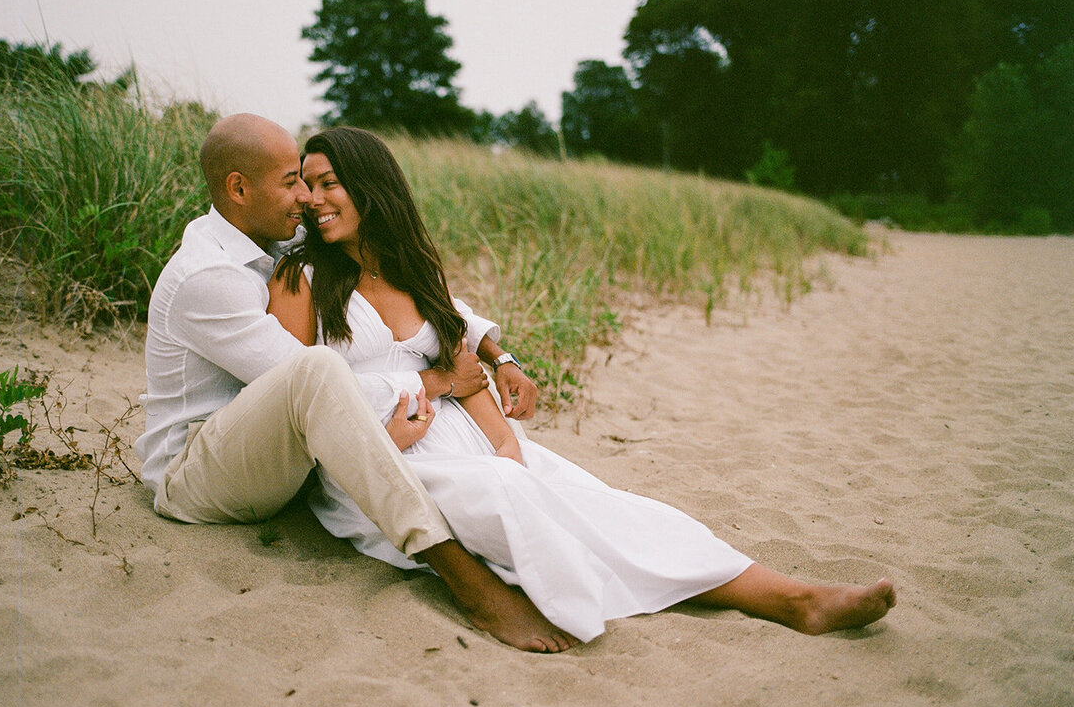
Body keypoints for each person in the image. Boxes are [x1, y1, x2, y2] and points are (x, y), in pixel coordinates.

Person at [268, 126, 897, 642]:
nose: (313, 199)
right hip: (383, 464)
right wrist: (403, 421)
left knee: (606, 505)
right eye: (307, 184)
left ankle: (793, 598)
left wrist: (506, 442)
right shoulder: (301, 280)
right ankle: (556, 600)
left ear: (372, 188)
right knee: (515, 505)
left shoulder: (412, 268)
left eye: (329, 183)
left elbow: (464, 365)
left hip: (468, 443)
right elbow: (301, 399)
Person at [135, 113, 579, 652]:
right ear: (238, 188)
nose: (304, 197)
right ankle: (469, 584)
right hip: (196, 473)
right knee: (316, 368)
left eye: (310, 180)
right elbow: (313, 385)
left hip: (268, 456)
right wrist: (437, 381)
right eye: (291, 181)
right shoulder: (208, 277)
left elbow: (400, 284)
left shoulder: (266, 235)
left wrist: (493, 348)